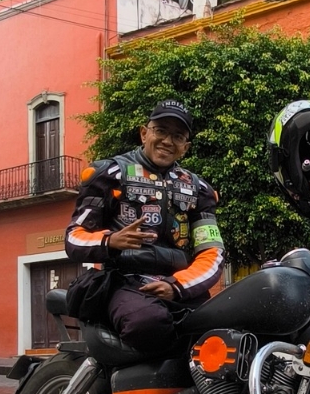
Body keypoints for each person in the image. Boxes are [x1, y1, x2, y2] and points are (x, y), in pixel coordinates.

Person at [64, 98, 224, 353]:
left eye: (178, 136)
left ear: (186, 146)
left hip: (179, 288)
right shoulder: (108, 174)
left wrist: (177, 286)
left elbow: (212, 253)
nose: (168, 141)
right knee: (149, 323)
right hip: (124, 283)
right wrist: (109, 241)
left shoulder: (198, 189)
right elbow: (74, 237)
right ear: (144, 133)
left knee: (224, 332)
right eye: (161, 131)